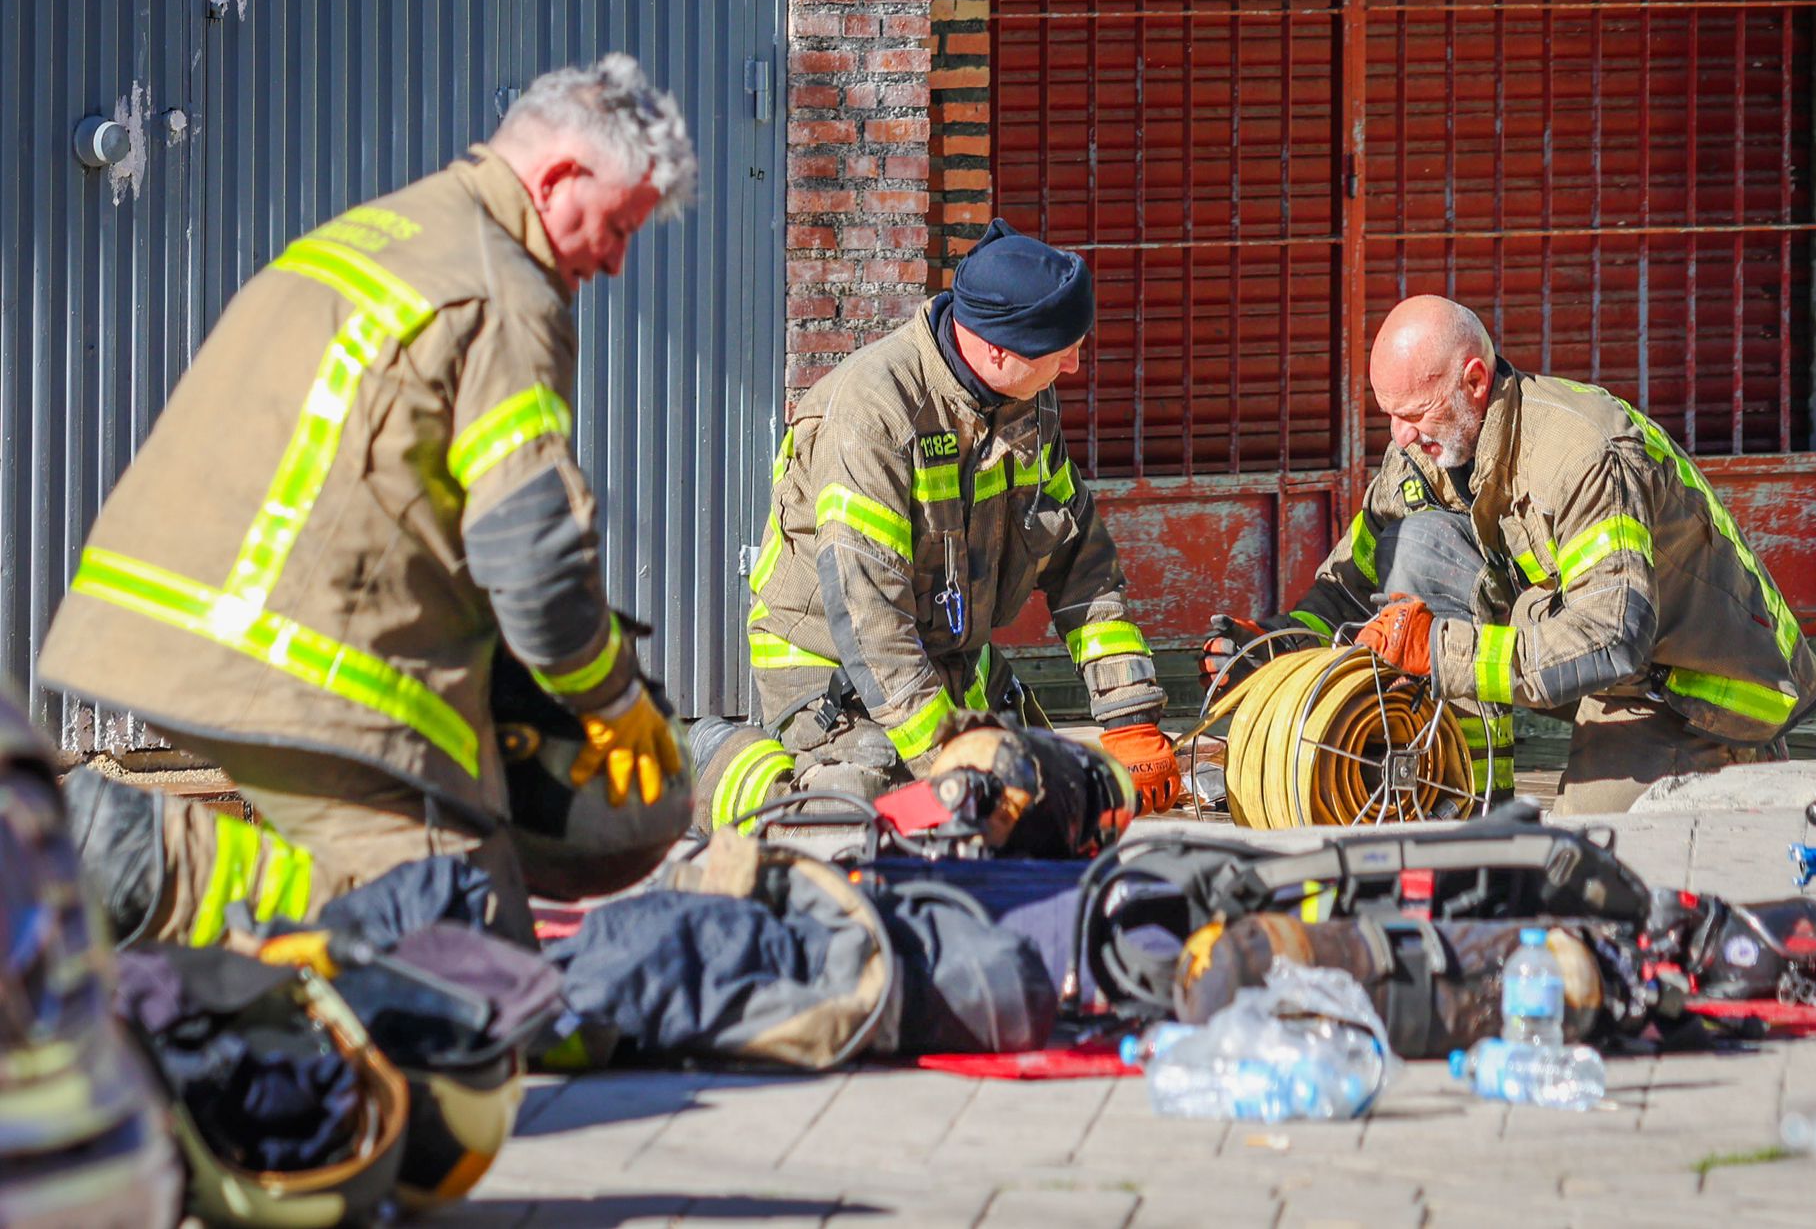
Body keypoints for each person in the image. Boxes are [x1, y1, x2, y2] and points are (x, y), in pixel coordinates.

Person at [40, 53, 695, 946]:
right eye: (619, 225)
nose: (616, 262)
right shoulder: (506, 286)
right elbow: (534, 556)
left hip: (168, 622)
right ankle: (127, 858)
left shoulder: (385, 230)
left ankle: (198, 944)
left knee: (424, 941)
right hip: (301, 666)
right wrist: (613, 702)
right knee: (461, 959)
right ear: (562, 175)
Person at [1203, 294, 1816, 814]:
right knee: (1420, 543)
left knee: (1594, 856)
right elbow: (1349, 586)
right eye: (1389, 414)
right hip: (1585, 649)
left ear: (1475, 381)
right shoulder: (1425, 450)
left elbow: (1613, 640)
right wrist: (1278, 647)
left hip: (1691, 687)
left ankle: (1735, 764)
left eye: (1415, 413)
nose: (1400, 436)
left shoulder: (1584, 454)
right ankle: (1470, 810)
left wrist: (1438, 650)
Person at [727, 219, 1177, 824]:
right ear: (997, 349)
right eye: (1062, 349)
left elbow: (1079, 560)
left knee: (1047, 800)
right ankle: (726, 764)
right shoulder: (875, 413)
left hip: (954, 662)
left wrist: (1129, 715)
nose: (1073, 365)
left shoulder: (1027, 398)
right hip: (833, 667)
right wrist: (951, 755)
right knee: (883, 809)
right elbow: (870, 618)